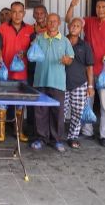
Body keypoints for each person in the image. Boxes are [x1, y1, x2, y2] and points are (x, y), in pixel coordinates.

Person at [66, 0, 105, 147]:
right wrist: (72, 5)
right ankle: (87, 131)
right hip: (87, 71)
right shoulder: (89, 21)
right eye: (98, 7)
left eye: (104, 7)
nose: (100, 9)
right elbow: (69, 21)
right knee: (87, 102)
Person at [30, 13, 74, 152]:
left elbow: (70, 58)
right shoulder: (39, 38)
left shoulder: (65, 41)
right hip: (40, 80)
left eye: (55, 21)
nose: (52, 23)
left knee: (58, 112)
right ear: (46, 23)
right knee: (40, 111)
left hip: (58, 82)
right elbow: (31, 55)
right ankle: (41, 138)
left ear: (59, 23)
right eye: (50, 21)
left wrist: (67, 60)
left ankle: (57, 140)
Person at [0, 1, 34, 142]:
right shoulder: (2, 28)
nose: (16, 15)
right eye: (14, 12)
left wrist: (27, 52)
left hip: (22, 74)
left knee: (20, 103)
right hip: (5, 72)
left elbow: (34, 49)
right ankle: (1, 132)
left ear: (24, 13)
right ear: (10, 13)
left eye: (19, 12)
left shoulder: (30, 29)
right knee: (2, 101)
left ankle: (19, 131)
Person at [64, 18, 94, 149]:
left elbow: (89, 67)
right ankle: (57, 136)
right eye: (73, 25)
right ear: (68, 26)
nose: (74, 27)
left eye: (78, 26)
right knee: (60, 112)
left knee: (77, 113)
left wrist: (90, 86)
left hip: (80, 84)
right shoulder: (61, 41)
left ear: (81, 29)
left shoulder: (85, 46)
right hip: (61, 83)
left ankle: (72, 137)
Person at [27, 5, 48, 135]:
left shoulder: (50, 30)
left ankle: (44, 128)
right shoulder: (30, 29)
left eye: (41, 13)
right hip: (31, 69)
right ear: (33, 15)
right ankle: (32, 128)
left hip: (45, 69)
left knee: (44, 98)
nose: (39, 15)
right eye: (36, 13)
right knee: (31, 96)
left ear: (46, 14)